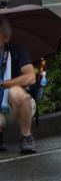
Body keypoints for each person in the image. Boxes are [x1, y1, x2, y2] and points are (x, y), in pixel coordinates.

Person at [0, 17, 37, 153]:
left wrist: (4, 84)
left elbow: (31, 77)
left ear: (5, 37)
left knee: (16, 92)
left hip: (16, 106)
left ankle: (26, 136)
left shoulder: (17, 50)